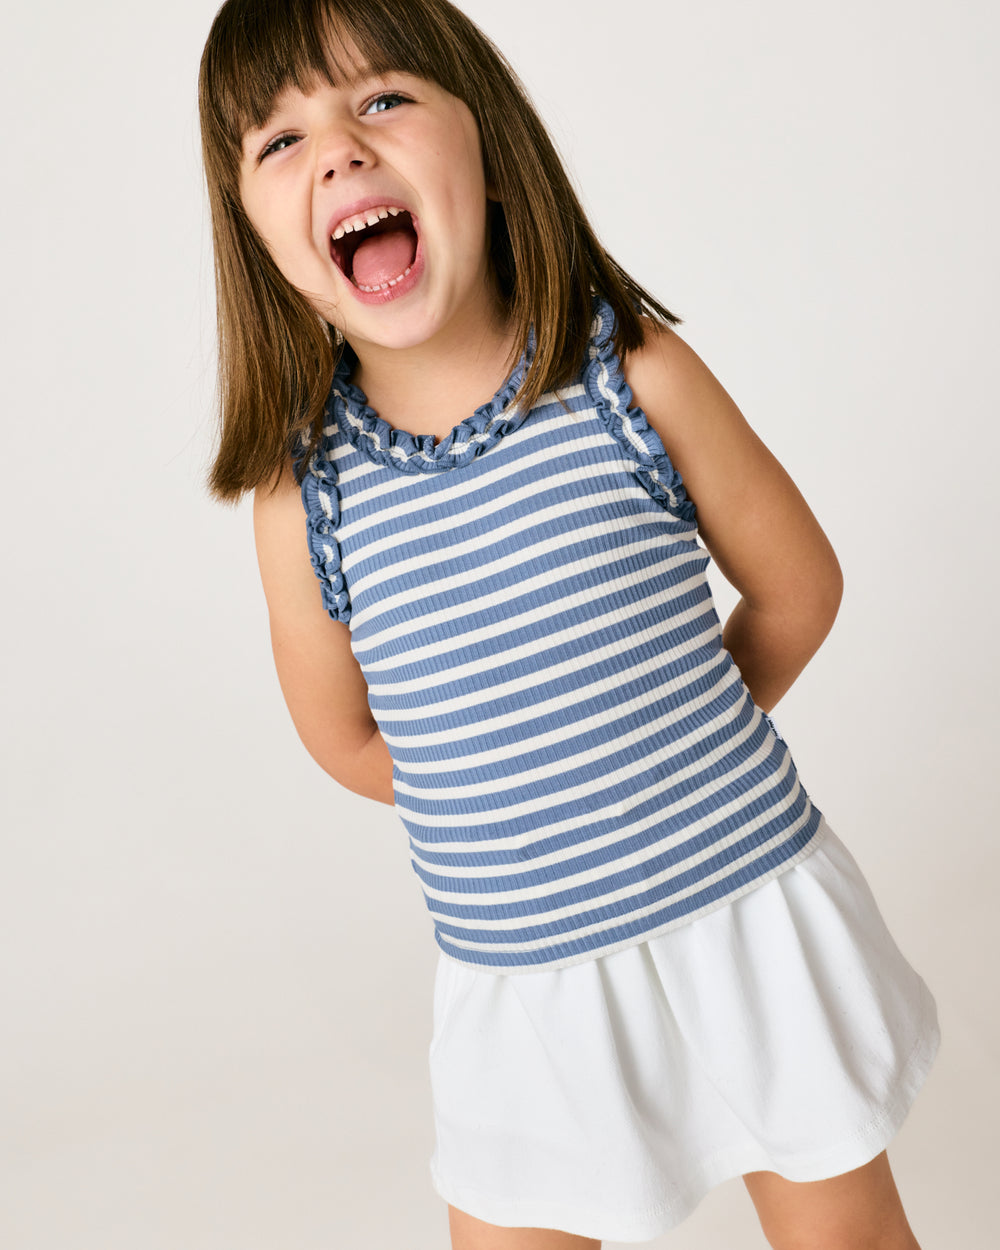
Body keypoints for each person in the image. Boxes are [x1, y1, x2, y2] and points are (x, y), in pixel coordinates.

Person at [197, 0, 941, 1245]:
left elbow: (797, 587)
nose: (338, 152)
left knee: (844, 1232)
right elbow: (344, 735)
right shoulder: (305, 494)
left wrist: (667, 741)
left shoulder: (629, 378)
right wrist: (512, 796)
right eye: (281, 140)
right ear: (257, 235)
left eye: (382, 99)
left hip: (740, 911)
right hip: (522, 974)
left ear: (489, 146)